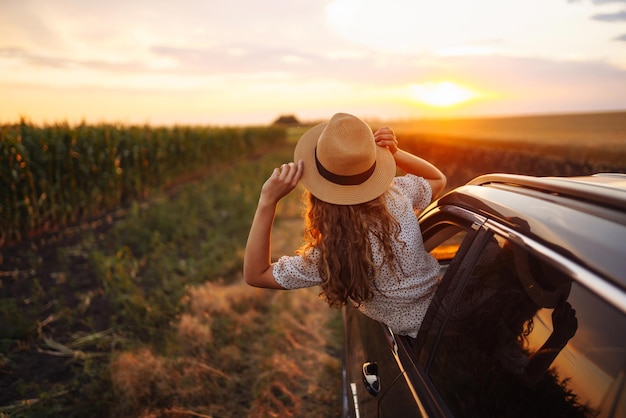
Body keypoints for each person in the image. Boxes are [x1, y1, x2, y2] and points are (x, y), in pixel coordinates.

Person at [243, 112, 447, 337]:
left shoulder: (332, 253)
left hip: (430, 338)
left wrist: (267, 202)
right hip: (452, 306)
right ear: (373, 163)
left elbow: (256, 274)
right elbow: (438, 180)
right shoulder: (398, 196)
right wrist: (396, 154)